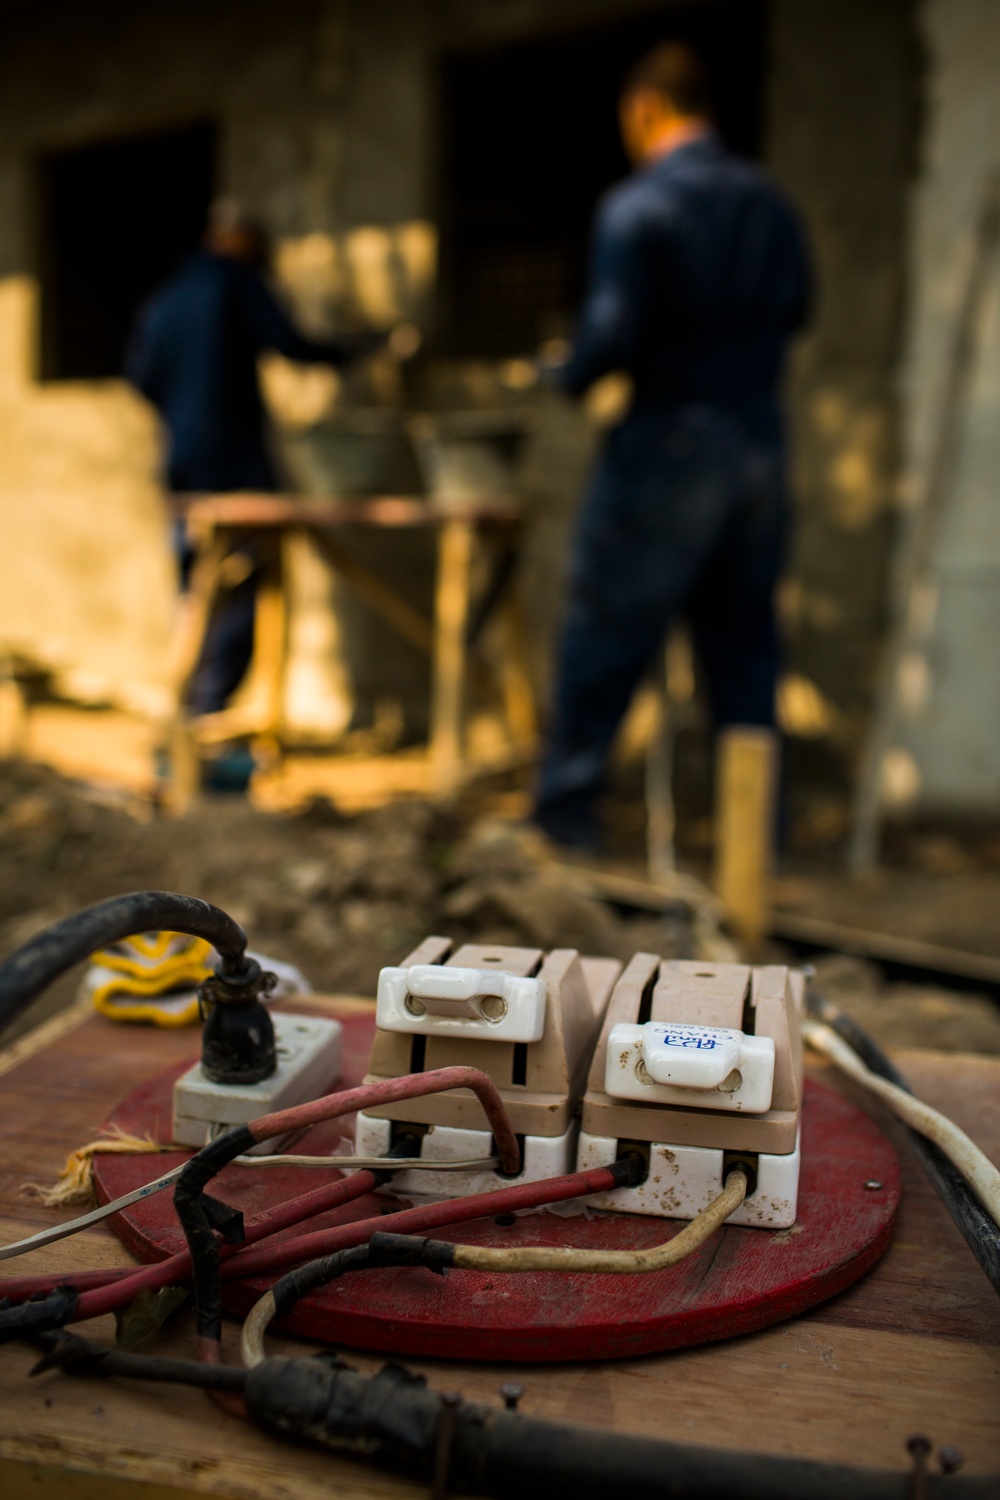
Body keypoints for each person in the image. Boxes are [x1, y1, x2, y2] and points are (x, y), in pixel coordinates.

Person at [533, 42, 811, 850]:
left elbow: (610, 335)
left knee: (606, 629)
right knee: (745, 645)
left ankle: (566, 822)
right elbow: (798, 312)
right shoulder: (773, 205)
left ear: (644, 111)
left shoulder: (638, 208)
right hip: (760, 442)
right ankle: (756, 835)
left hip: (670, 443)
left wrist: (567, 372)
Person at [127, 200, 408, 717]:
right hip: (233, 462)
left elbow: (142, 379)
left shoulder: (164, 300)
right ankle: (208, 711)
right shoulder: (236, 282)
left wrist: (184, 411)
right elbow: (291, 343)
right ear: (246, 244)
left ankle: (185, 709)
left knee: (195, 584)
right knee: (240, 577)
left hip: (181, 462)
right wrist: (364, 348)